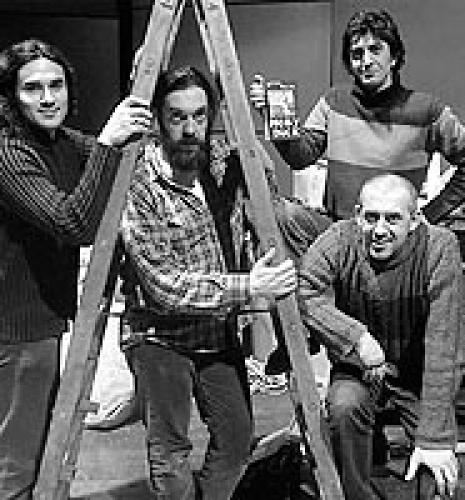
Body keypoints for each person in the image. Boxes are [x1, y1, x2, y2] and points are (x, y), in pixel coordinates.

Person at [0, 38, 152, 499]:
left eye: (56, 85)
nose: (48, 98)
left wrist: (149, 88)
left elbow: (132, 156)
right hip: (15, 327)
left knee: (46, 450)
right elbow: (73, 224)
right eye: (33, 88)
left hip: (44, 321)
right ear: (10, 95)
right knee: (16, 460)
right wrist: (107, 141)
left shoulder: (59, 142)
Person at [119, 65, 298, 500]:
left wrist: (251, 128)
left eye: (199, 116)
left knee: (236, 440)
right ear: (159, 119)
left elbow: (268, 194)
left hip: (216, 333)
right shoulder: (140, 183)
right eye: (177, 117)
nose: (189, 129)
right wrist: (249, 287)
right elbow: (164, 286)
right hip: (158, 336)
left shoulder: (221, 162)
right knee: (170, 451)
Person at [298, 173, 465, 499]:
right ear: (358, 214)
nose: (379, 230)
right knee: (344, 406)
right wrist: (356, 338)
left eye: (393, 219)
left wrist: (434, 439)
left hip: (417, 373)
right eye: (372, 217)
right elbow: (303, 291)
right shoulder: (340, 239)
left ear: (415, 220)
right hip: (358, 368)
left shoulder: (439, 247)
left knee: (436, 463)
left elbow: (445, 345)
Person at [250, 8, 465, 225]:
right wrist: (272, 116)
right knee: (279, 215)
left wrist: (431, 214)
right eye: (357, 54)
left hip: (395, 237)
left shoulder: (427, 111)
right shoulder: (334, 102)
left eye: (375, 50)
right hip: (339, 230)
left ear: (393, 57)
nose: (365, 62)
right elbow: (301, 157)